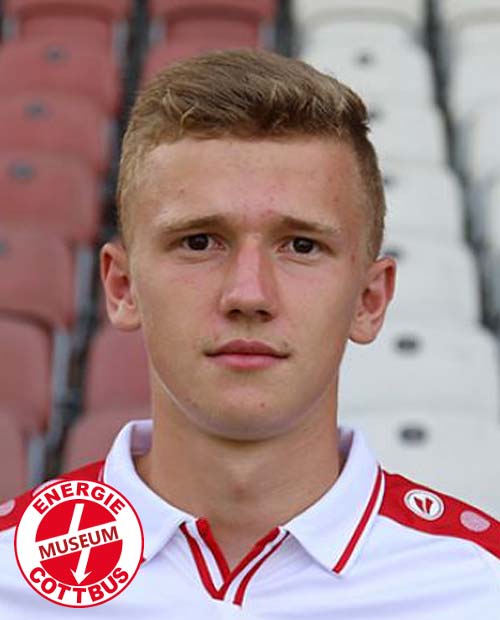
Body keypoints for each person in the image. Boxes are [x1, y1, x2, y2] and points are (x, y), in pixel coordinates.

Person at [1, 49, 499, 619]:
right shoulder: (10, 578)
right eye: (198, 242)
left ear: (370, 299)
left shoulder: (479, 586)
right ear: (122, 287)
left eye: (302, 246)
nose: (248, 295)